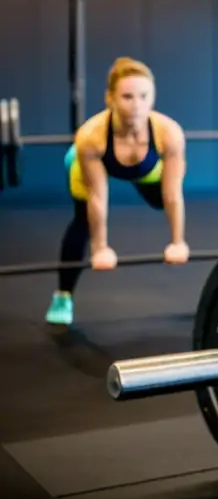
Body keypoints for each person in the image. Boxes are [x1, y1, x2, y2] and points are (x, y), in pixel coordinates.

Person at [45, 57, 189, 326]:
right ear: (109, 98)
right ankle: (63, 296)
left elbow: (173, 195)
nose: (136, 105)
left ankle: (137, 179)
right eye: (127, 97)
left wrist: (177, 242)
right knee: (83, 222)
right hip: (87, 164)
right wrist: (101, 248)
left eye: (143, 96)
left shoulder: (169, 133)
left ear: (153, 96)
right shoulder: (91, 136)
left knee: (162, 201)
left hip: (143, 167)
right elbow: (99, 197)